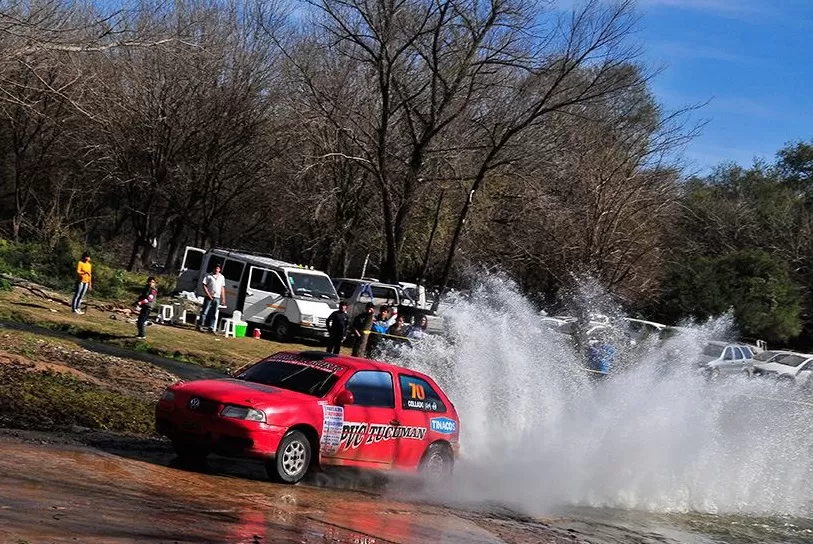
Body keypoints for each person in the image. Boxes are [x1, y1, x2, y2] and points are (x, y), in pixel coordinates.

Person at [198, 264, 226, 332]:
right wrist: (208, 295)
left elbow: (222, 287)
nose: (216, 270)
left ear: (220, 270)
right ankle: (200, 325)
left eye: (218, 269)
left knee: (214, 313)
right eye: (215, 268)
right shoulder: (208, 276)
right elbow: (204, 285)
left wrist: (223, 298)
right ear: (213, 269)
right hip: (209, 296)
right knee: (205, 311)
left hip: (217, 297)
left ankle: (211, 327)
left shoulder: (222, 277)